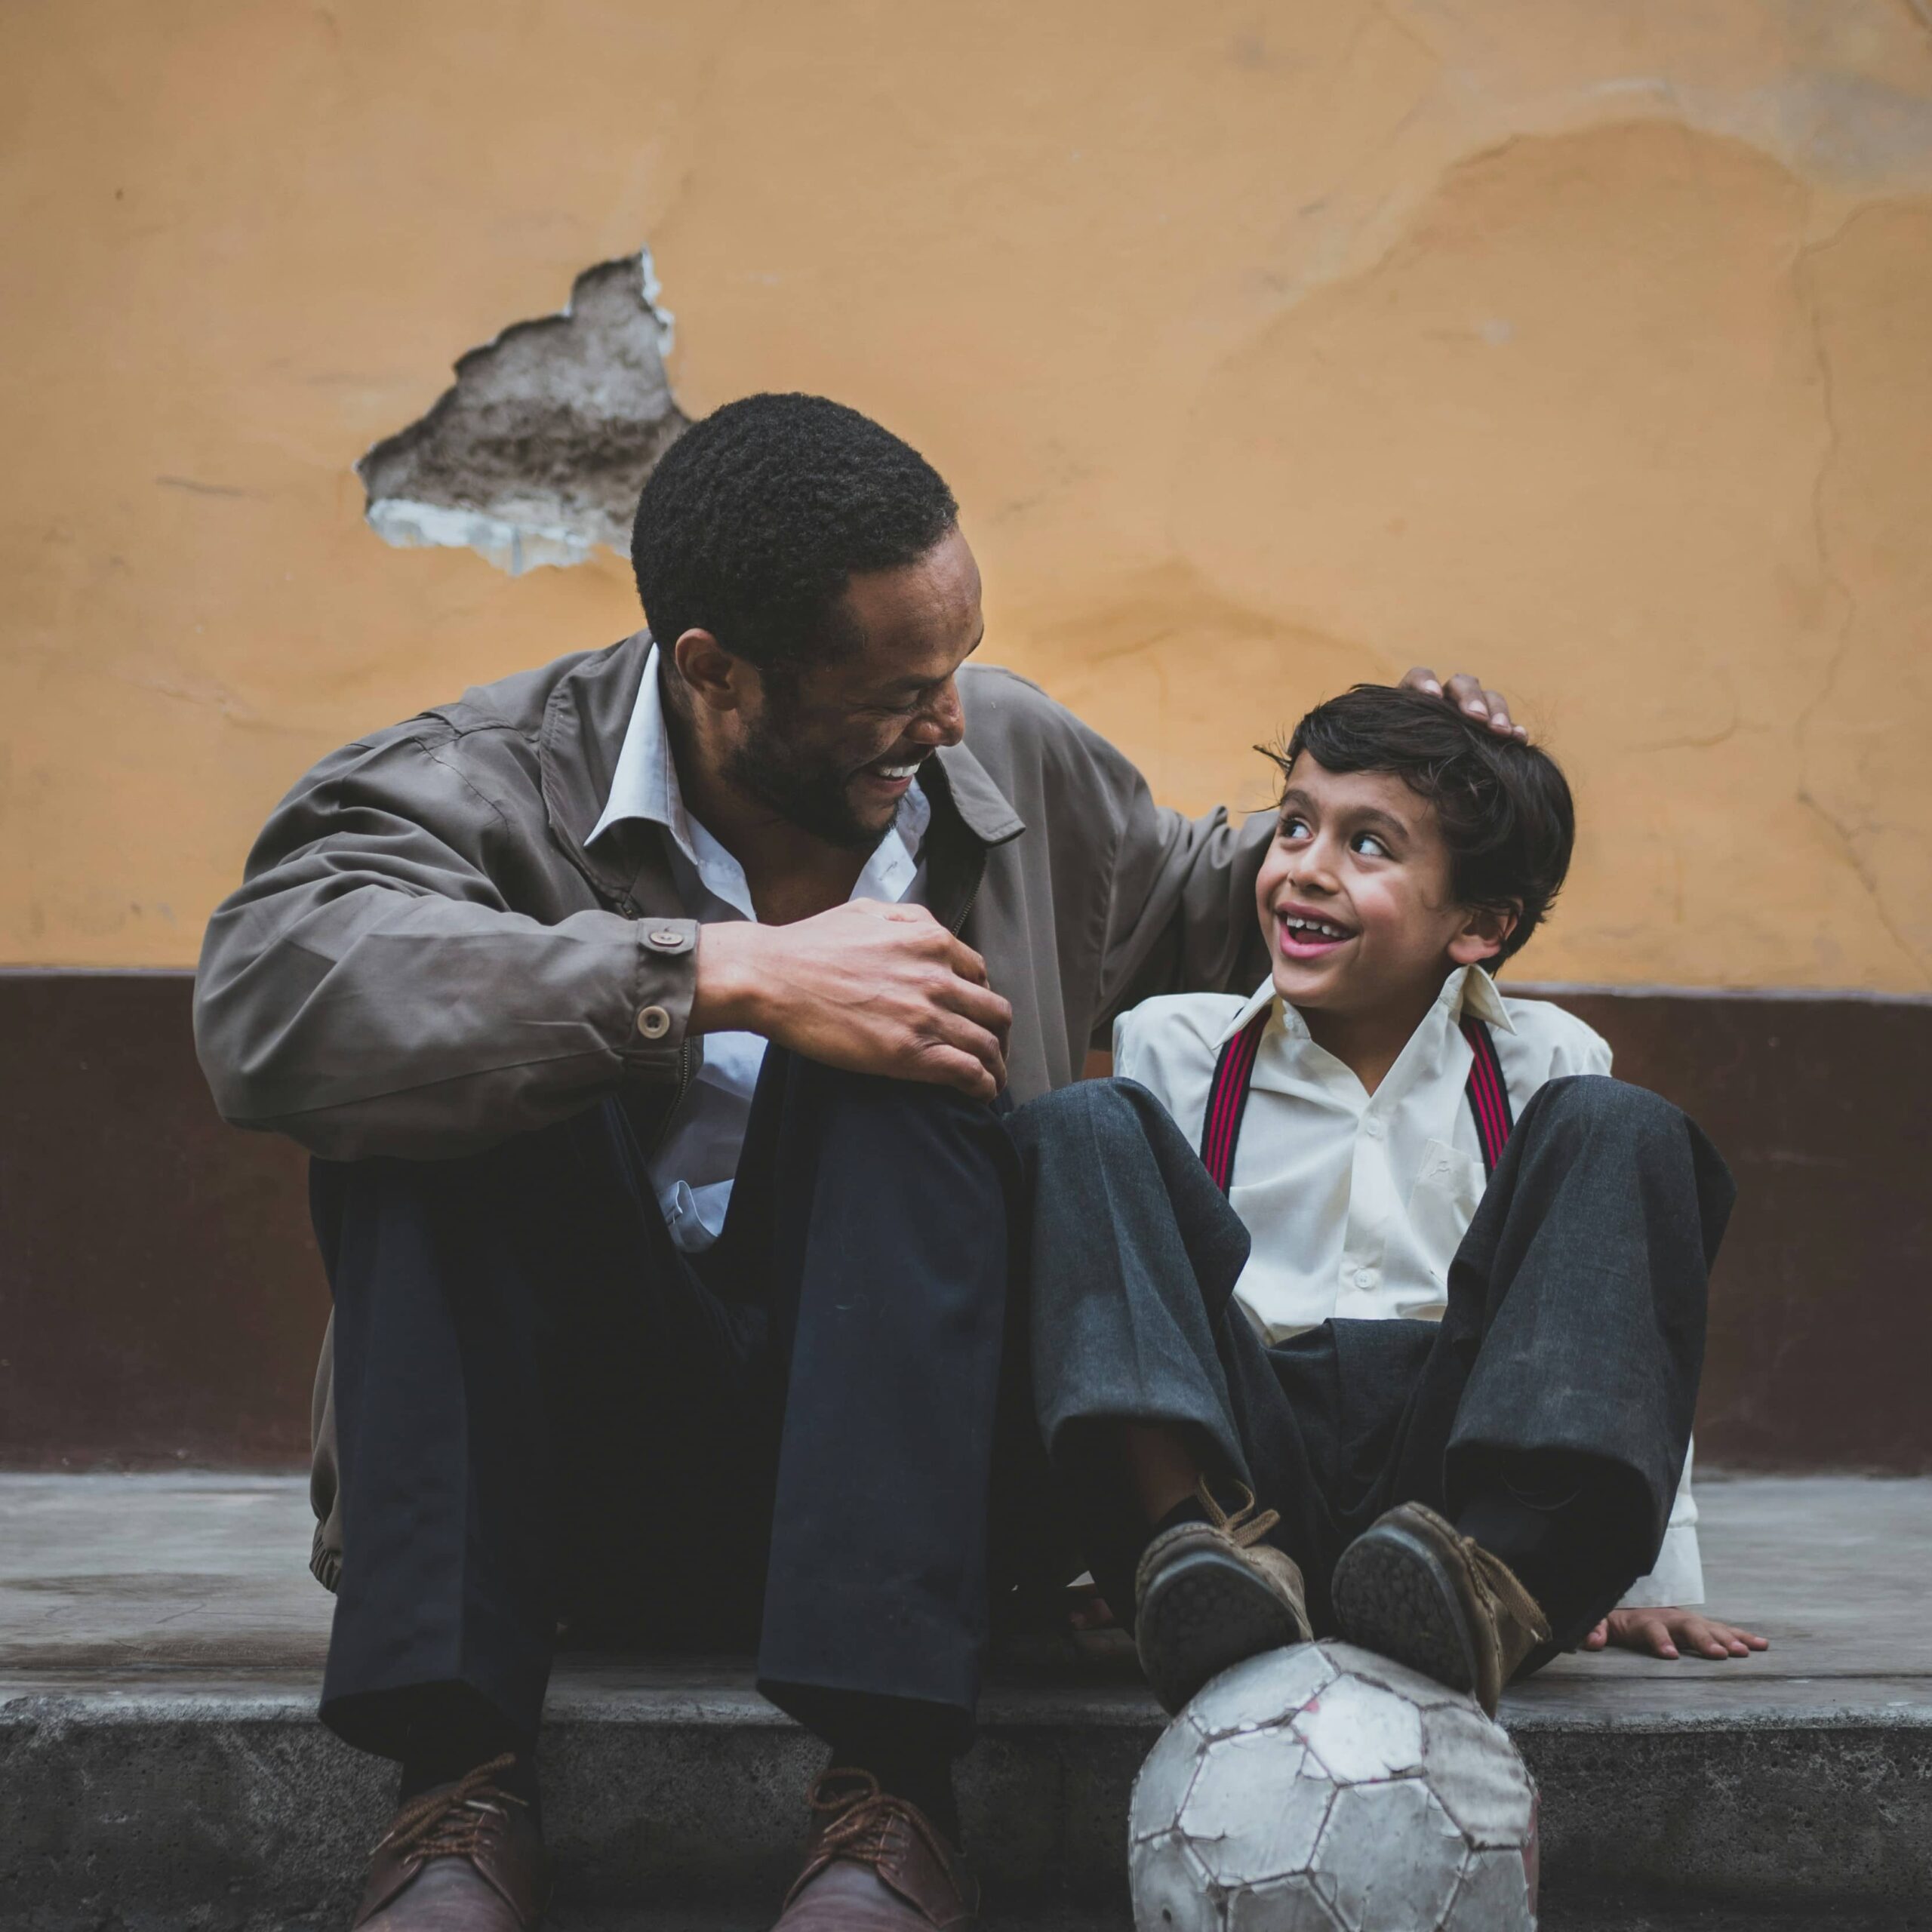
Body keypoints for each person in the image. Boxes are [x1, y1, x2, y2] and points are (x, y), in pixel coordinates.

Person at [194, 391, 1525, 1932]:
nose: (948, 716)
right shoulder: (481, 780)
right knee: (449, 1076)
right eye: (898, 686)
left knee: (911, 1036)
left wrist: (1420, 802)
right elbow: (273, 992)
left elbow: (1210, 909)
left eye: (954, 665)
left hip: (915, 1478)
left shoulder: (1005, 756)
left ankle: (889, 1793)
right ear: (712, 671)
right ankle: (454, 1785)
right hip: (556, 1487)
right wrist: (719, 973)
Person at [1014, 685, 1767, 1722]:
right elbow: (1130, 1304)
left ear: (1481, 924)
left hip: (1454, 1502)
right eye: (1293, 825)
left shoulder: (1547, 1061)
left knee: (1626, 1126)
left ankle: (1499, 1589)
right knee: (1082, 1122)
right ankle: (1182, 1557)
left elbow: (1616, 1312)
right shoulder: (1175, 1046)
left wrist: (1649, 1579)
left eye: (1368, 845)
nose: (1304, 868)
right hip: (1245, 1480)